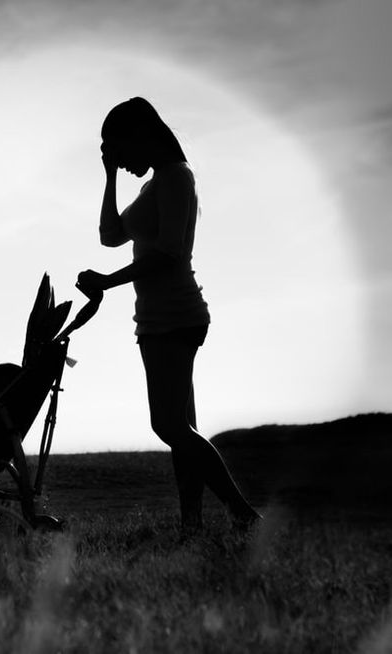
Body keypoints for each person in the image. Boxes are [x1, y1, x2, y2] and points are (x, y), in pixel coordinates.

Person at [76, 97, 260, 534]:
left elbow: (169, 252)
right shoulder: (153, 185)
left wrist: (107, 281)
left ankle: (243, 515)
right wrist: (108, 176)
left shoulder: (177, 177)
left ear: (141, 136)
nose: (123, 164)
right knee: (183, 429)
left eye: (121, 152)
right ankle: (192, 528)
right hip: (157, 317)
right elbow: (109, 235)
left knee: (168, 425)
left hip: (175, 314)